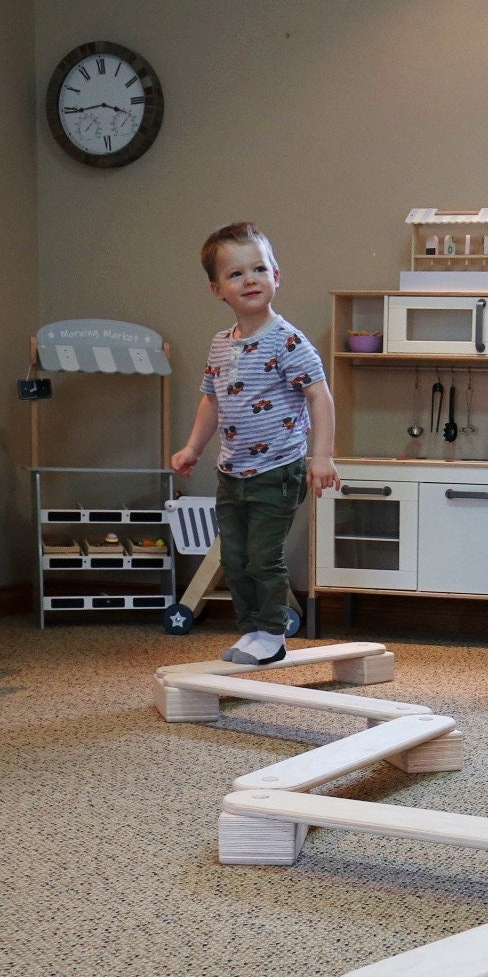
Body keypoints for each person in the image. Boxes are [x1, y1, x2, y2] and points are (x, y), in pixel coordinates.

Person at [171, 222, 338, 664]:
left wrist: (321, 456)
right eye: (236, 273)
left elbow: (319, 396)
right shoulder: (220, 344)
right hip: (232, 472)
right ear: (217, 289)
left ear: (276, 276)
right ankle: (252, 632)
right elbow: (211, 400)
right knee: (234, 557)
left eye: (259, 269)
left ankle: (272, 633)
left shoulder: (288, 341)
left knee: (264, 557)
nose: (250, 279)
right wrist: (192, 448)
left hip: (278, 471)